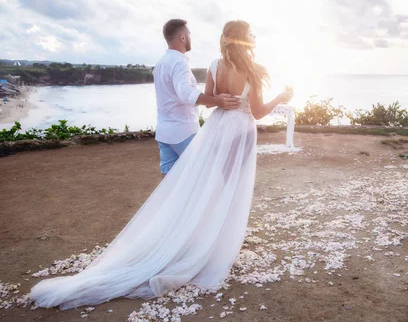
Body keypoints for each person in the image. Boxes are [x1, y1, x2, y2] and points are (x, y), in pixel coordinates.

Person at [28, 20, 293, 310]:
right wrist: (280, 97)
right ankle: (217, 244)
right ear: (245, 39)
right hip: (240, 131)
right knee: (231, 188)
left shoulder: (215, 65)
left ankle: (195, 234)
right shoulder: (253, 71)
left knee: (211, 185)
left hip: (216, 129)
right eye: (251, 34)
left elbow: (209, 102)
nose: (254, 37)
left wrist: (222, 102)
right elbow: (256, 113)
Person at [153, 19, 239, 176]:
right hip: (183, 132)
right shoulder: (179, 62)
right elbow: (185, 93)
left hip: (164, 132)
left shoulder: (160, 64)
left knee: (168, 181)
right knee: (203, 178)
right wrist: (217, 100)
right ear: (182, 38)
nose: (190, 37)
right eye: (189, 34)